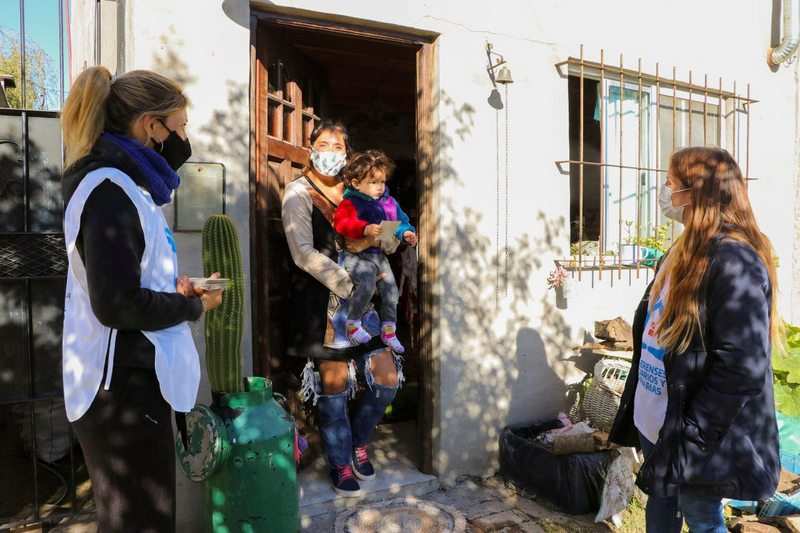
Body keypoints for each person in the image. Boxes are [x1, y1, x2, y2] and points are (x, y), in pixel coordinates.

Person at [60, 66, 223, 532]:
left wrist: (179, 290)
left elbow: (128, 282)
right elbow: (115, 304)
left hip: (135, 384)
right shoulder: (109, 190)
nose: (184, 139)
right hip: (121, 393)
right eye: (180, 126)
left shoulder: (127, 187)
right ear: (151, 125)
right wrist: (192, 307)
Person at [609, 147, 780, 533]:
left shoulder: (735, 261)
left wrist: (693, 435)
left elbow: (742, 366)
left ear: (694, 193)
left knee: (701, 518)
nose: (664, 192)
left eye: (670, 184)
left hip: (693, 432)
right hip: (661, 421)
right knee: (662, 504)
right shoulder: (684, 248)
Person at [282, 120, 403, 497]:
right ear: (311, 146)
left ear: (347, 153)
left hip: (366, 308)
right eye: (323, 143)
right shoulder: (298, 194)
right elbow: (302, 252)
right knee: (332, 387)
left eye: (338, 146)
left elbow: (390, 241)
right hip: (326, 306)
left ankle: (357, 441)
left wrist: (390, 238)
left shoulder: (361, 192)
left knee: (386, 381)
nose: (330, 151)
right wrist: (348, 282)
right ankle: (338, 460)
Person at [333, 150, 417, 353]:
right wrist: (364, 228)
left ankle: (389, 330)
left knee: (391, 291)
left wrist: (406, 233)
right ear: (355, 183)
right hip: (355, 255)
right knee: (367, 283)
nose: (380, 187)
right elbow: (342, 223)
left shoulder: (389, 203)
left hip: (378, 255)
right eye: (373, 182)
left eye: (382, 181)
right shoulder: (350, 202)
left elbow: (400, 222)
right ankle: (353, 324)